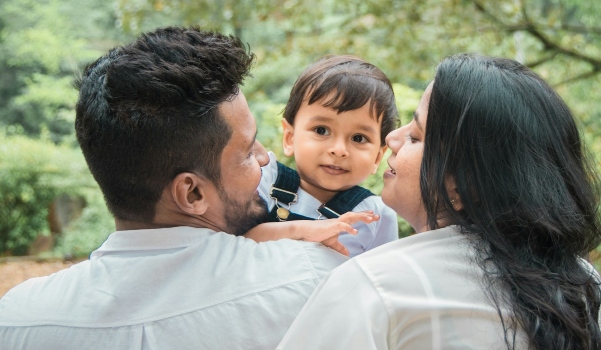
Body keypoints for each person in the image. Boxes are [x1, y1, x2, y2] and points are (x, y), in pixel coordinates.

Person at [0, 27, 355, 350]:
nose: (266, 158)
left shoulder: (18, 321)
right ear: (192, 194)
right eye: (248, 151)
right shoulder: (314, 280)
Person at [277, 54, 601, 349]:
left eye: (416, 136)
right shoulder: (582, 283)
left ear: (463, 187)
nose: (392, 137)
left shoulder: (375, 286)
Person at [243, 55, 399, 257]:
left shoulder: (375, 215)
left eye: (358, 138)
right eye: (321, 130)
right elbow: (232, 243)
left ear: (377, 157)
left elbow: (381, 279)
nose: (339, 149)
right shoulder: (262, 181)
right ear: (290, 138)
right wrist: (301, 231)